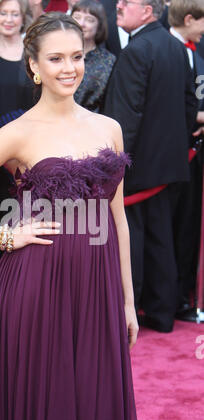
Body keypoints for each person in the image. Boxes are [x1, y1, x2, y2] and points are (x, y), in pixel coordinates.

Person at [0, 11, 139, 420]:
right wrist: (3, 235)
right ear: (34, 66)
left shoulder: (109, 128)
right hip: (37, 286)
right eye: (56, 58)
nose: (69, 68)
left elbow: (117, 217)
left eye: (77, 57)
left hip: (97, 289)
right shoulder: (18, 133)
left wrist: (128, 301)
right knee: (43, 412)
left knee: (94, 407)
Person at [104, 0, 198, 333]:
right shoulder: (176, 47)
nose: (118, 6)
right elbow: (190, 105)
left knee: (137, 238)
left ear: (148, 10)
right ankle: (161, 313)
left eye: (127, 2)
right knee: (163, 238)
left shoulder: (137, 51)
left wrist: (113, 163)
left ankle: (136, 310)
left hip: (139, 166)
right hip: (170, 164)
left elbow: (124, 116)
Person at [0, 0, 34, 274]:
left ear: (23, 17)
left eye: (15, 14)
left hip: (27, 149)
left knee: (23, 210)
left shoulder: (32, 51)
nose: (9, 19)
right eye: (4, 13)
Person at [168, 0, 204, 321]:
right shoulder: (173, 51)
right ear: (191, 19)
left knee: (186, 229)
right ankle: (172, 299)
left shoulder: (193, 52)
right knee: (174, 229)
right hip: (175, 155)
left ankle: (181, 298)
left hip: (191, 156)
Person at [72, 0, 116, 112]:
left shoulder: (108, 60)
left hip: (91, 123)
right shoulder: (57, 53)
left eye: (89, 20)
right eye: (77, 17)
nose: (81, 23)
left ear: (99, 26)